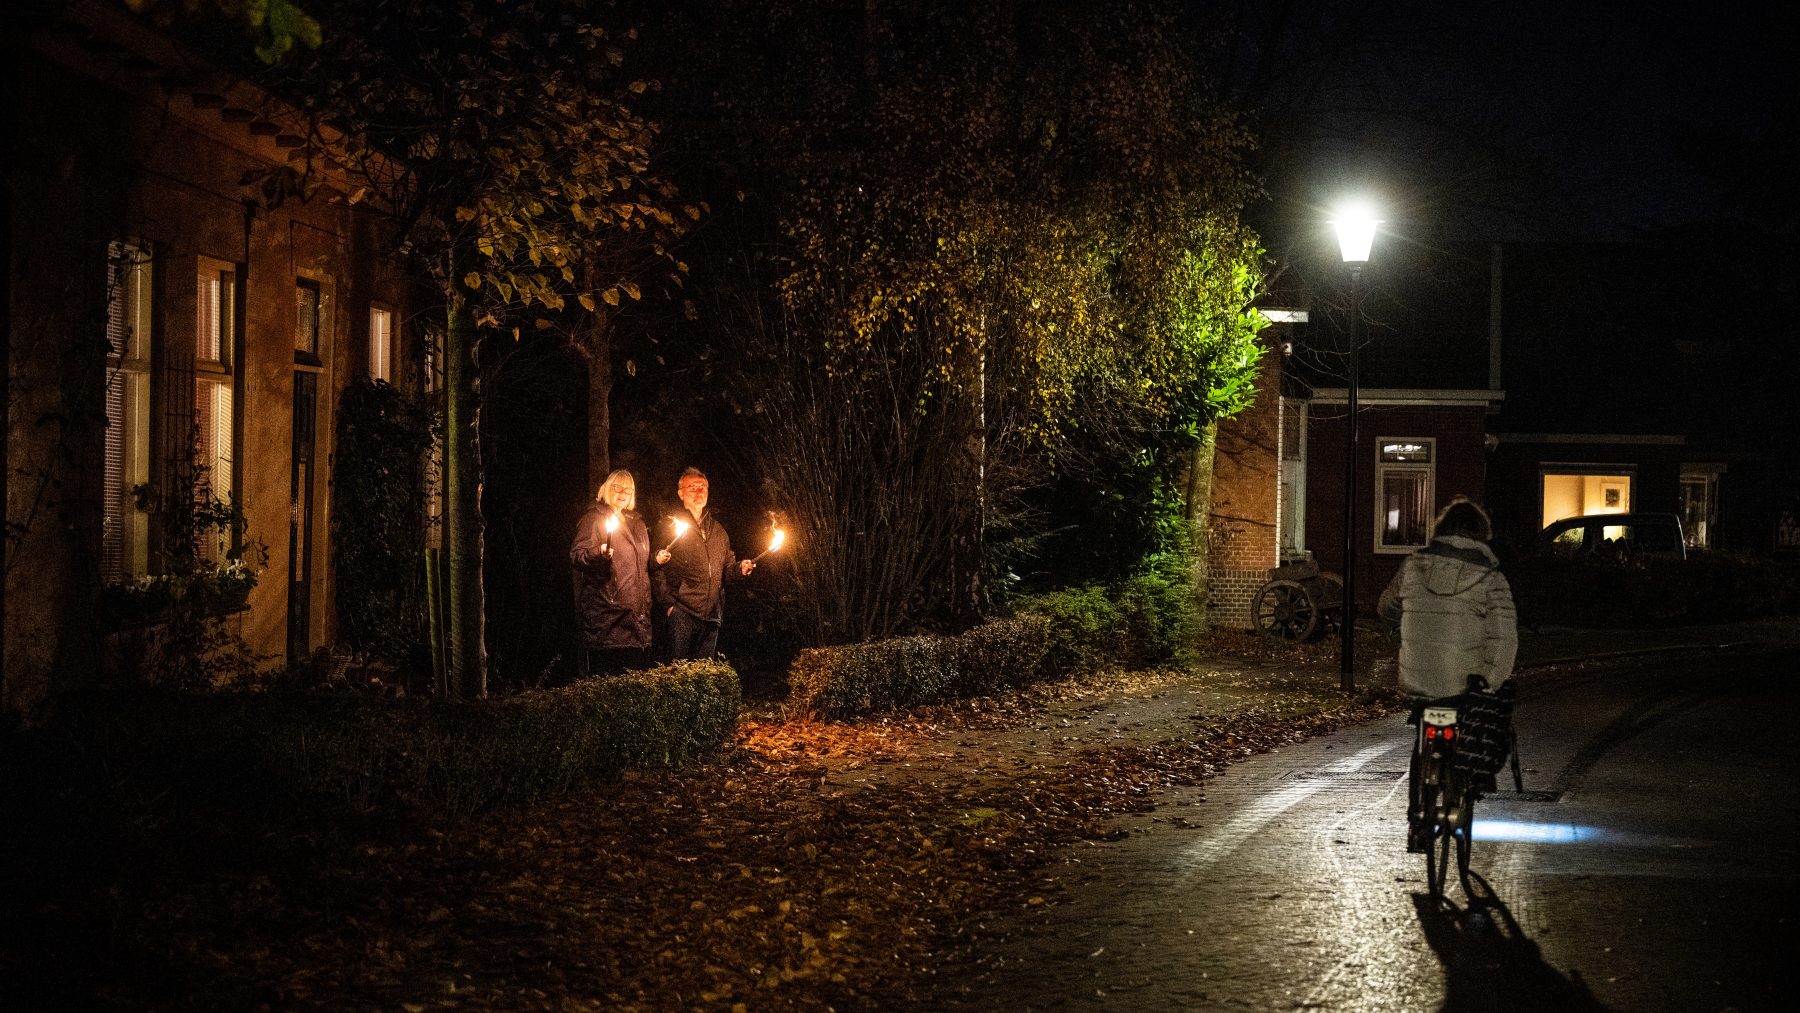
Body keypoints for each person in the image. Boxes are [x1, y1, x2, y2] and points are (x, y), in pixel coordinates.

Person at [1377, 496, 1518, 852]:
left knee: (1423, 735)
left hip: (1417, 677)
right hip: (1462, 683)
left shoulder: (1414, 565)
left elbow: (1386, 607)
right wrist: (1492, 679)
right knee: (1472, 726)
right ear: (1481, 534)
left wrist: (1403, 616)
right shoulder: (1491, 575)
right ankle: (1469, 781)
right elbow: (1505, 636)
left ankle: (1416, 823)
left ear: (1440, 530)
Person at [652, 467, 754, 660]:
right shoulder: (669, 526)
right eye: (692, 488)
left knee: (703, 677)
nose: (699, 492)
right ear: (680, 493)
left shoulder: (718, 530)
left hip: (711, 615)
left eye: (703, 488)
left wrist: (739, 569)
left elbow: (727, 569)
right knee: (678, 675)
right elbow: (655, 567)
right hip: (682, 614)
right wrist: (669, 605)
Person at [570, 469, 653, 675]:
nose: (623, 492)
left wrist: (657, 561)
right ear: (607, 489)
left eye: (628, 489)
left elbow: (639, 568)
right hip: (608, 620)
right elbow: (577, 556)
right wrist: (599, 553)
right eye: (617, 487)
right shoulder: (594, 519)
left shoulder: (638, 524)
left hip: (636, 621)